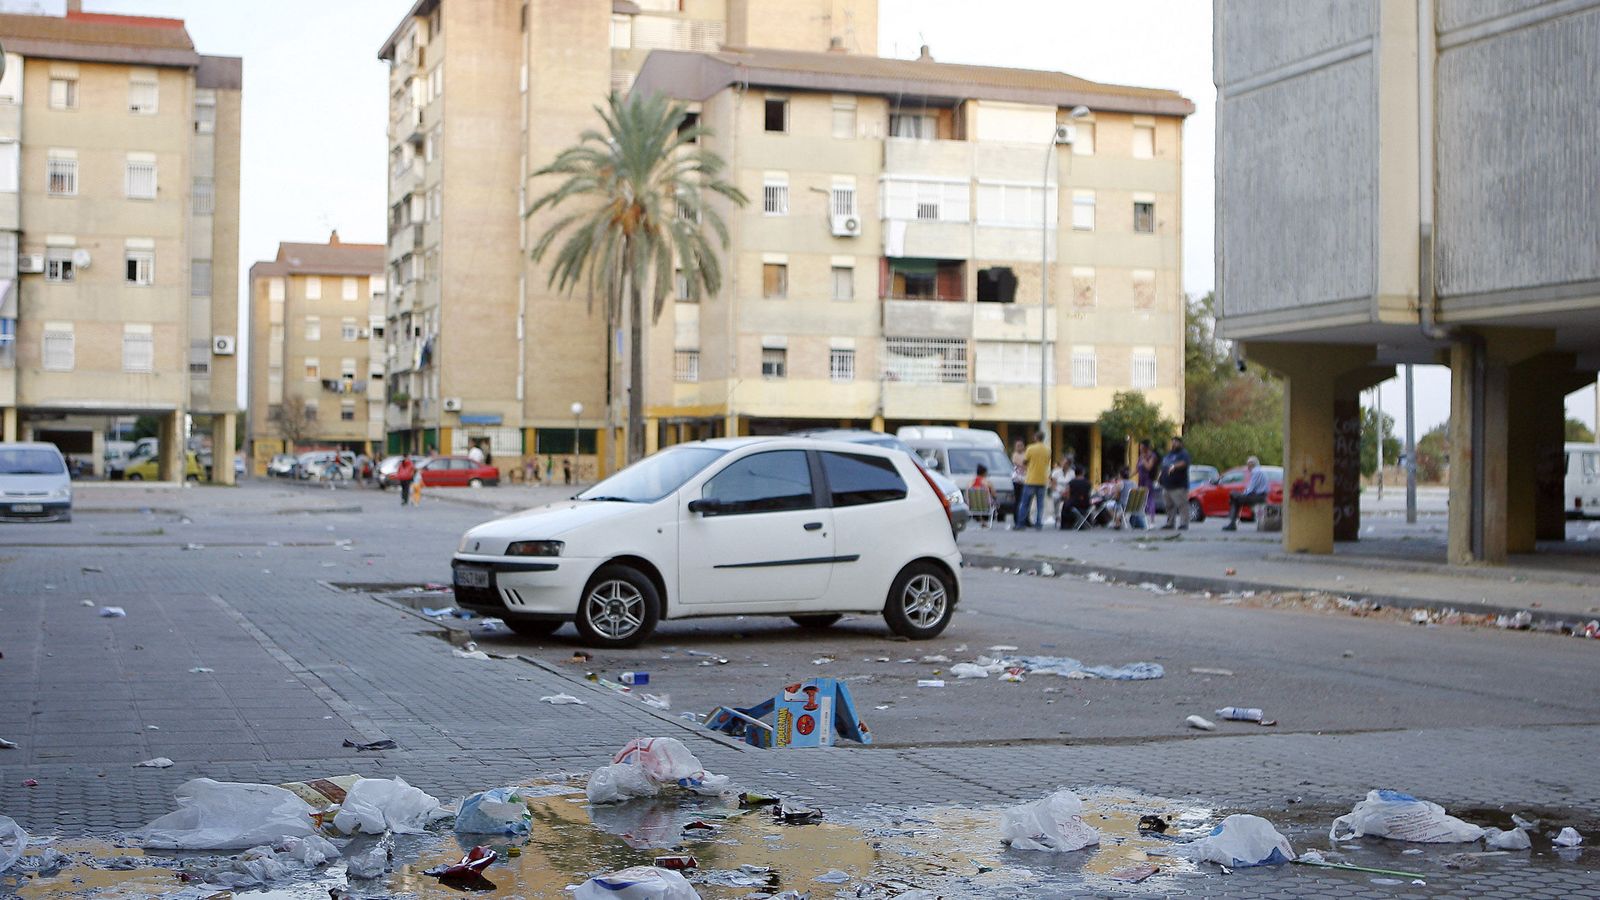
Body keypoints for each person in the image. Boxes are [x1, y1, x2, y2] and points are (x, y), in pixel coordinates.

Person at [1222, 455, 1271, 531]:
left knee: (1233, 495)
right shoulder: (1261, 471)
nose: (1247, 467)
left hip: (1258, 496)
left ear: (1252, 464)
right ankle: (1232, 523)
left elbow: (1251, 488)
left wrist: (1242, 494)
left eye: (1248, 464)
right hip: (1261, 495)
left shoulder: (1256, 472)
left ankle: (1232, 524)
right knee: (1235, 498)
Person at [1015, 430, 1050, 531]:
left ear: (1035, 437)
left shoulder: (1030, 448)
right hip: (1042, 480)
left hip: (1031, 479)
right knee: (1040, 504)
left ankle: (1020, 524)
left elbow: (1025, 461)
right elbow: (1047, 462)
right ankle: (1038, 524)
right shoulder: (1047, 450)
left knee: (1025, 503)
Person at [1159, 436, 1192, 530]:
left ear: (1180, 443)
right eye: (1172, 442)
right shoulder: (1169, 454)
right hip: (1167, 485)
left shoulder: (1183, 453)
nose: (1173, 444)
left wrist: (1174, 466)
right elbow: (1163, 465)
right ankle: (1170, 523)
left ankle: (1184, 523)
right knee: (1169, 506)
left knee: (1182, 505)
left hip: (1178, 485)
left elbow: (1184, 463)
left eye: (1176, 442)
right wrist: (1160, 475)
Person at [1135, 439, 1158, 526]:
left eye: (1141, 446)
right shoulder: (1140, 456)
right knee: (1140, 499)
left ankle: (1151, 518)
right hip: (1141, 480)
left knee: (1149, 499)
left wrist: (1144, 459)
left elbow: (1149, 467)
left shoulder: (1152, 456)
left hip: (1148, 480)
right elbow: (1137, 468)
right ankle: (1141, 518)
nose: (1140, 447)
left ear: (1145, 447)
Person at [1009, 439, 1027, 525]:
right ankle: (1016, 519)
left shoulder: (1025, 454)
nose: (1020, 447)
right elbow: (1019, 464)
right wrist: (1024, 465)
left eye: (1021, 445)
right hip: (1017, 480)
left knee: (1025, 501)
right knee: (1017, 501)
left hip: (1025, 480)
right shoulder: (1015, 455)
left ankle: (1025, 519)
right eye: (1018, 445)